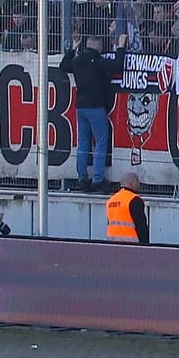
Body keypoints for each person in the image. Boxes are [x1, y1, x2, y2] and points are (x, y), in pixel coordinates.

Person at [60, 34, 123, 190]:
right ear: (98, 45)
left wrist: (73, 49)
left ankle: (82, 178)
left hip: (81, 107)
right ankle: (97, 179)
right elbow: (117, 65)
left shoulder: (77, 60)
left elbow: (63, 66)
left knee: (83, 143)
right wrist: (121, 47)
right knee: (101, 142)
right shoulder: (97, 61)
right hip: (96, 107)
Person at [105, 172, 150, 244]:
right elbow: (141, 227)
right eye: (137, 181)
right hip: (132, 245)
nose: (139, 184)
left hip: (112, 244)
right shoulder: (134, 200)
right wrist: (145, 245)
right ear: (133, 183)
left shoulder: (110, 201)